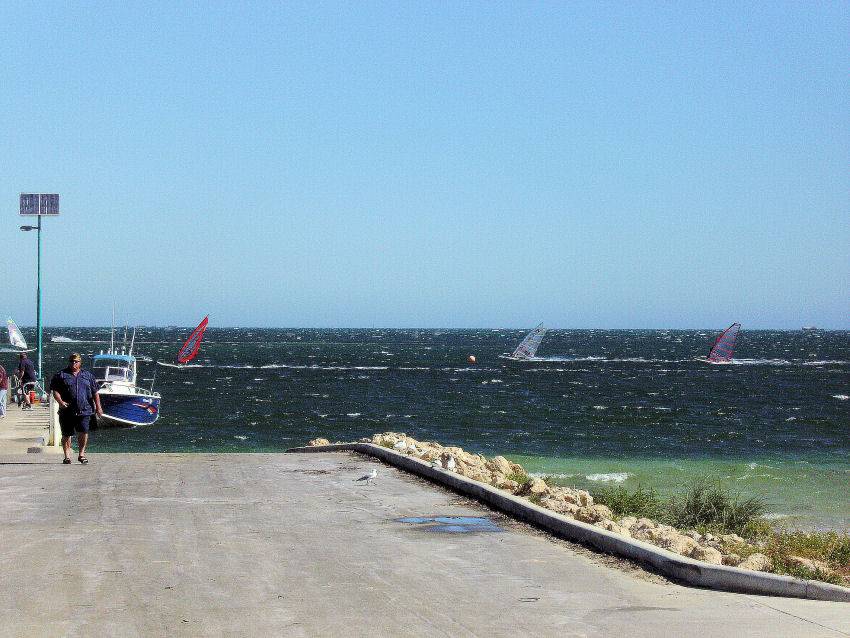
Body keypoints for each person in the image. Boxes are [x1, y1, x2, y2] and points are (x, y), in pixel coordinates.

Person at [50, 353, 103, 465]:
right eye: (72, 361)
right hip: (67, 411)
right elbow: (55, 390)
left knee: (83, 432)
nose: (74, 363)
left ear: (80, 362)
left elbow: (95, 392)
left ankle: (81, 454)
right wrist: (60, 402)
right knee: (66, 434)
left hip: (85, 410)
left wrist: (98, 407)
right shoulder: (61, 375)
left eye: (76, 361)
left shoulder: (88, 376)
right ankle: (67, 457)